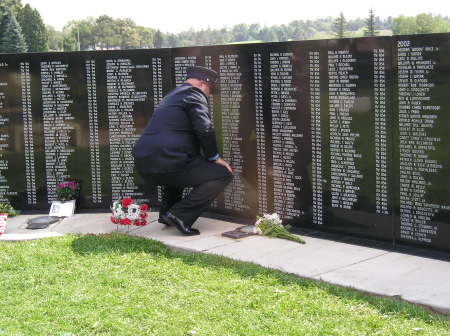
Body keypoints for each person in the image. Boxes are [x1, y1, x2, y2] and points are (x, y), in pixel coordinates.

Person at [133, 66, 233, 236]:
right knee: (223, 174)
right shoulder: (194, 93)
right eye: (210, 90)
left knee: (178, 168)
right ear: (202, 84)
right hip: (169, 160)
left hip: (145, 163)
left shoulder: (172, 95)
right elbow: (205, 128)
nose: (209, 94)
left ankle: (167, 213)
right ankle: (180, 216)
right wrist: (214, 157)